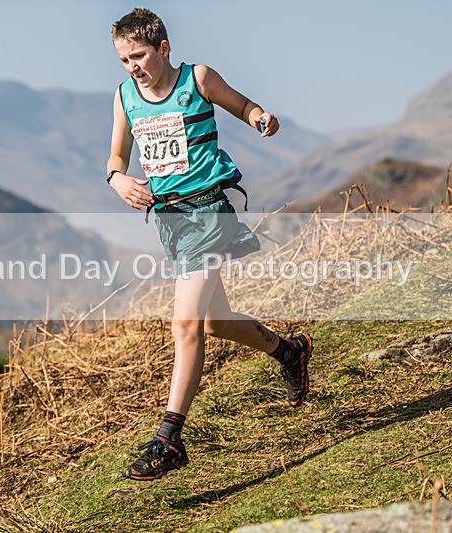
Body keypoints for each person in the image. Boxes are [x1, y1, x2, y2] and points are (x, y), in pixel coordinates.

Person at [106, 7, 313, 481]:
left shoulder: (196, 79)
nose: (133, 66)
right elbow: (116, 156)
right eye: (123, 59)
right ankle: (289, 352)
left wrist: (261, 117)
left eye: (139, 55)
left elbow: (242, 106)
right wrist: (118, 181)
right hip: (170, 221)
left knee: (184, 326)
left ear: (163, 48)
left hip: (208, 212)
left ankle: (168, 440)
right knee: (214, 322)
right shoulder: (124, 97)